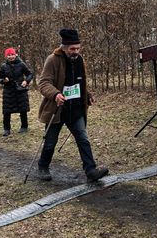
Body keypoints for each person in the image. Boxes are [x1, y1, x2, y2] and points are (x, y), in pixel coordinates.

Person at [37, 29, 109, 182]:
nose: (76, 51)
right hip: (57, 109)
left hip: (75, 109)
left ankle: (91, 171)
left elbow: (79, 82)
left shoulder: (80, 60)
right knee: (50, 143)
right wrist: (56, 94)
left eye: (78, 48)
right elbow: (43, 83)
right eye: (72, 49)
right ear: (64, 48)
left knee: (83, 139)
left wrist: (87, 95)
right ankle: (43, 167)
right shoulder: (52, 60)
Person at [0, 47, 33, 136]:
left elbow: (29, 74)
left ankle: (24, 126)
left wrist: (26, 81)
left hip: (20, 90)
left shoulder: (21, 64)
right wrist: (3, 80)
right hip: (8, 91)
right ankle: (6, 129)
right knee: (6, 111)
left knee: (23, 109)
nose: (11, 56)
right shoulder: (3, 66)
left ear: (15, 55)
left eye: (12, 54)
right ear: (6, 56)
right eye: (9, 55)